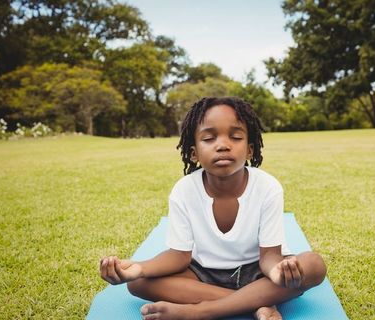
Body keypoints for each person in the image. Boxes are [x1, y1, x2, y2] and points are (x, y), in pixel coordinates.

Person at [99, 97, 327, 320]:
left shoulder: (268, 186)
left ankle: (202, 312)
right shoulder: (184, 190)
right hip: (203, 274)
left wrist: (279, 273)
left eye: (235, 137)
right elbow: (179, 257)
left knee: (314, 265)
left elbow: (269, 256)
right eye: (209, 138)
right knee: (138, 283)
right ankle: (259, 302)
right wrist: (137, 268)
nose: (223, 145)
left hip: (257, 270)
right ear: (194, 153)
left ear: (249, 150)